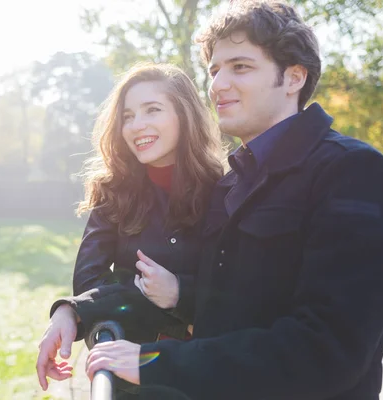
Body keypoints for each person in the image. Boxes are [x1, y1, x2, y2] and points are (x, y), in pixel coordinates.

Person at [38, 1, 383, 399]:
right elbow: (210, 305)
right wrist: (73, 311)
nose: (218, 84)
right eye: (214, 70)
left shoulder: (353, 172)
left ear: (294, 77)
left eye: (240, 66)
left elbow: (328, 351)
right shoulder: (233, 185)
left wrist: (157, 361)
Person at [36, 63, 224, 396]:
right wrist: (71, 309)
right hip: (129, 373)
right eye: (128, 116)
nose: (137, 125)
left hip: (203, 373)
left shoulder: (223, 190)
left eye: (153, 110)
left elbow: (235, 288)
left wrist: (180, 292)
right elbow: (89, 282)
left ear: (184, 115)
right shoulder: (112, 192)